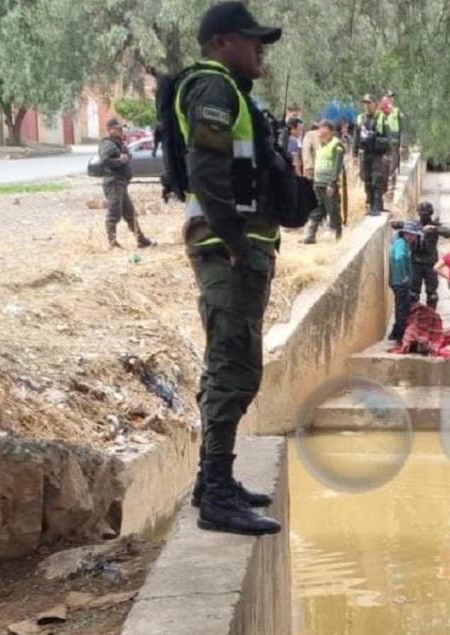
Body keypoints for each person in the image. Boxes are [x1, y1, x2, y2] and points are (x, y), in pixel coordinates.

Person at [176, 0, 289, 536]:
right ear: (222, 42)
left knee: (233, 362)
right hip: (227, 250)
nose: (259, 49)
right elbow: (206, 169)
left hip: (238, 246)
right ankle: (217, 494)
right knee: (233, 365)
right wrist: (236, 241)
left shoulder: (231, 91)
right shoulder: (213, 88)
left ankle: (213, 480)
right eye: (251, 40)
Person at [99, 118, 154, 250]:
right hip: (113, 182)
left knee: (130, 213)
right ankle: (112, 242)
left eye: (121, 129)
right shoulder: (107, 143)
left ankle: (141, 239)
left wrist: (125, 155)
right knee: (114, 212)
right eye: (117, 129)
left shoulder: (118, 143)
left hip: (121, 183)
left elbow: (127, 155)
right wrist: (120, 160)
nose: (120, 131)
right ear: (110, 129)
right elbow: (105, 159)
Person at [393, 201, 450, 310]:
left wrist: (434, 229)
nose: (424, 216)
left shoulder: (434, 226)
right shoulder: (415, 225)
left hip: (431, 263)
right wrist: (405, 225)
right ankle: (415, 317)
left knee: (432, 295)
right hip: (416, 263)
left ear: (430, 214)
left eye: (426, 214)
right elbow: (396, 225)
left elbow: (448, 233)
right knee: (413, 294)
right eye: (422, 214)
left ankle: (431, 317)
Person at [303, 120, 344, 243]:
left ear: (329, 130)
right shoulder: (321, 145)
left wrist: (332, 183)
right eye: (319, 128)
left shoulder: (337, 145)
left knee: (333, 210)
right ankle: (310, 236)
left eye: (322, 128)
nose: (319, 131)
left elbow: (337, 166)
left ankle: (338, 237)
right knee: (315, 210)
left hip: (328, 185)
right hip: (318, 183)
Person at [353, 93, 390, 215]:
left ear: (375, 104)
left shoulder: (381, 118)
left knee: (377, 179)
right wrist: (354, 154)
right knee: (366, 179)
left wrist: (387, 153)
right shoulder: (360, 118)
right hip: (365, 153)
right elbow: (356, 137)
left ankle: (377, 204)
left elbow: (387, 136)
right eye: (365, 103)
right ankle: (370, 203)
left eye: (369, 103)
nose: (367, 106)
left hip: (378, 154)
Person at [387, 222, 418, 346]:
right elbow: (399, 258)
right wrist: (404, 275)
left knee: (402, 307)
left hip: (399, 282)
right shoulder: (401, 244)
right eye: (414, 235)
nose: (415, 238)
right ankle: (400, 336)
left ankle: (395, 332)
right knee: (402, 309)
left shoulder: (402, 243)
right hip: (400, 282)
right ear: (408, 234)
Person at [380, 92, 406, 196]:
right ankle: (385, 188)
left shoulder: (396, 111)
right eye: (389, 96)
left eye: (392, 97)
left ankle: (391, 189)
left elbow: (402, 129)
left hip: (395, 142)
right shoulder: (380, 113)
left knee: (394, 165)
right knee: (384, 165)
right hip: (384, 143)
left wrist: (402, 144)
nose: (391, 99)